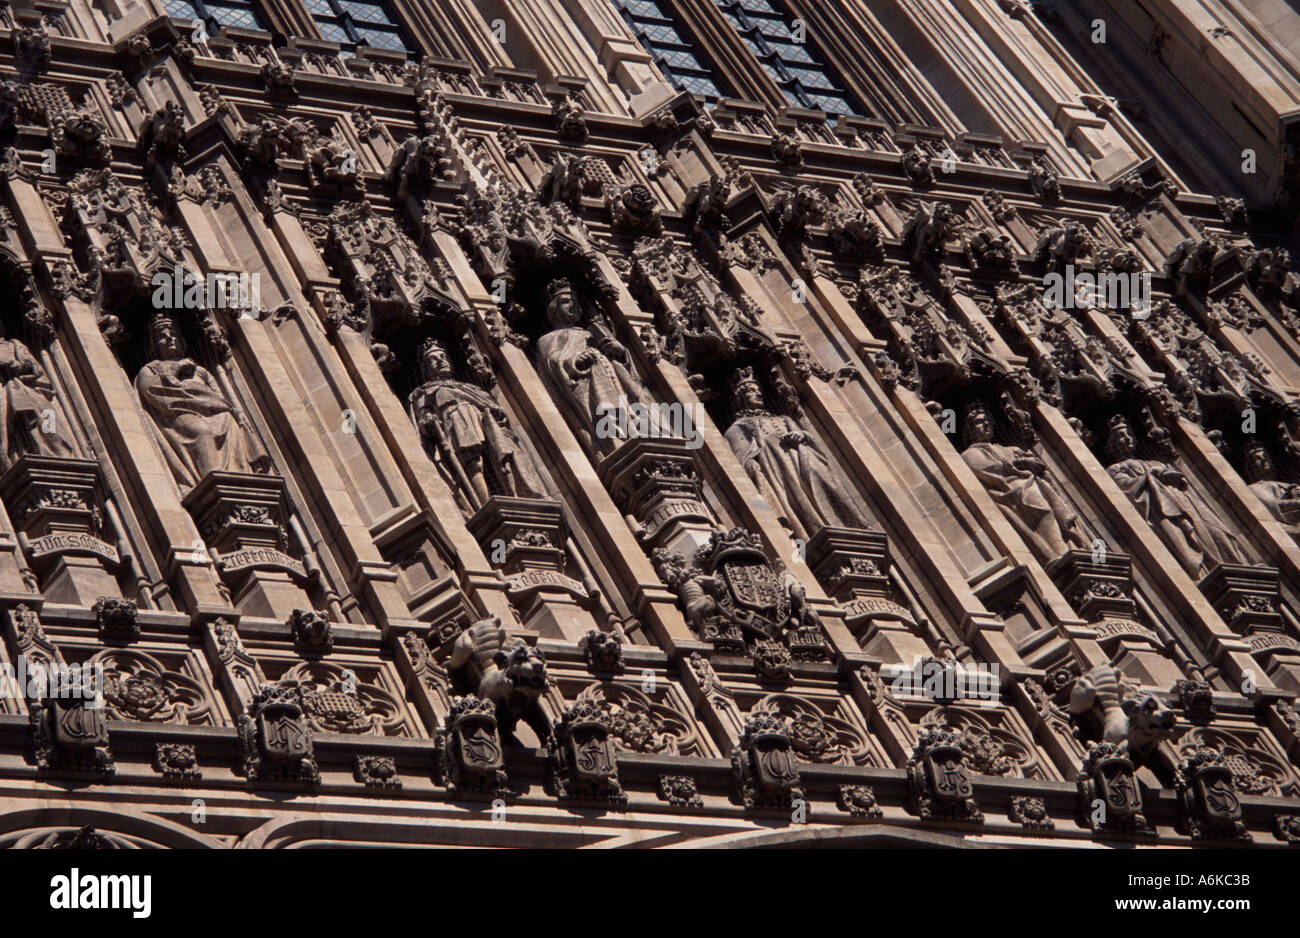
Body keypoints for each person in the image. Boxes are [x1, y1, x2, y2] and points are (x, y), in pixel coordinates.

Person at [724, 368, 872, 539]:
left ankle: (848, 524)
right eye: (751, 391)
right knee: (798, 502)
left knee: (830, 485)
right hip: (778, 468)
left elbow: (810, 438)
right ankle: (811, 531)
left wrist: (800, 435)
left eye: (758, 389)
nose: (757, 393)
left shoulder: (784, 419)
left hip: (803, 458)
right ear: (740, 398)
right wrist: (762, 452)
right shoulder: (737, 428)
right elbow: (743, 461)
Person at [135, 313, 269, 489]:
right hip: (179, 411)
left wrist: (234, 410)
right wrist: (175, 370)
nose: (170, 338)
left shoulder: (199, 369)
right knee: (201, 431)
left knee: (231, 424)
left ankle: (240, 476)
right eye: (162, 335)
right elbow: (153, 390)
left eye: (173, 333)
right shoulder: (151, 368)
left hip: (215, 409)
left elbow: (218, 392)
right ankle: (214, 483)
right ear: (153, 344)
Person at [1105, 415, 1248, 578]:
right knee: (1185, 539)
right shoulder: (1115, 468)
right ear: (1112, 445)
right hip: (1161, 508)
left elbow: (1179, 479)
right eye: (1121, 436)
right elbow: (1125, 487)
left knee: (1216, 532)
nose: (1127, 439)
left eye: (1128, 434)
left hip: (1184, 503)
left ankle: (1234, 563)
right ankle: (1203, 571)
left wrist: (1171, 476)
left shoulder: (1153, 462)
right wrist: (1153, 477)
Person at [409, 337, 545, 505]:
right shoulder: (424, 391)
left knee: (501, 457)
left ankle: (516, 497)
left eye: (443, 357)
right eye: (433, 360)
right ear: (426, 368)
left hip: (485, 422)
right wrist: (428, 420)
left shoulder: (470, 387)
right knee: (473, 464)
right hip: (456, 421)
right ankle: (484, 503)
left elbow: (493, 406)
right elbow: (422, 420)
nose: (440, 362)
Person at [535, 278, 655, 454]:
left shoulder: (588, 333)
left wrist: (620, 352)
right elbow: (553, 363)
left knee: (629, 413)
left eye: (575, 302)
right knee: (608, 417)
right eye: (566, 301)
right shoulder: (548, 339)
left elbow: (630, 372)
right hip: (590, 386)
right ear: (553, 307)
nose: (573, 305)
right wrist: (575, 361)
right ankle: (616, 445)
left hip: (615, 382)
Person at [961, 402, 1083, 558]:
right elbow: (989, 468)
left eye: (987, 421)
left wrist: (1031, 462)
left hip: (1030, 483)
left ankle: (1072, 542)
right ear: (969, 430)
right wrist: (1021, 463)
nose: (985, 424)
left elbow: (1031, 459)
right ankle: (1059, 553)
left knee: (1048, 495)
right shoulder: (970, 453)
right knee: (1041, 507)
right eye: (978, 422)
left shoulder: (1009, 448)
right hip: (1011, 489)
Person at [0, 324, 77, 470]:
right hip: (8, 393)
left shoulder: (13, 344)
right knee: (16, 424)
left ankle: (57, 452)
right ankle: (24, 455)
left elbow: (34, 366)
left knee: (48, 416)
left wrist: (15, 365)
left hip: (26, 388)